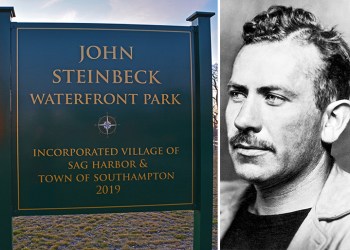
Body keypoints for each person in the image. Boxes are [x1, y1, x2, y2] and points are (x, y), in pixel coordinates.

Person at [220, 5, 350, 250]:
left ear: (332, 120)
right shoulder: (209, 203)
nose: (243, 120)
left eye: (273, 97)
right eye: (237, 94)